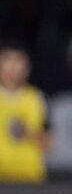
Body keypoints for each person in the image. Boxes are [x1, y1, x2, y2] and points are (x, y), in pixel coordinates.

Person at [0, 41, 50, 183]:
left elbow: (49, 143)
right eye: (7, 60)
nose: (13, 67)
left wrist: (28, 133)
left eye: (18, 61)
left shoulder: (37, 99)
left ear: (27, 67)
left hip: (30, 181)